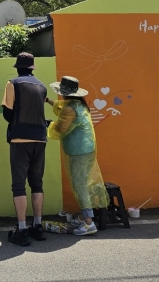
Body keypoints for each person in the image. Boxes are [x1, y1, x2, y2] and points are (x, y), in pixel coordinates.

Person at [47, 76, 109, 236]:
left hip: (79, 151)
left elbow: (60, 128)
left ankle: (89, 223)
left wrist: (48, 124)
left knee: (80, 185)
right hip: (86, 149)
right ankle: (85, 216)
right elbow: (60, 106)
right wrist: (47, 100)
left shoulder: (70, 109)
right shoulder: (79, 104)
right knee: (82, 183)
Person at [2, 52, 48, 246]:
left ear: (18, 68)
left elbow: (7, 113)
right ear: (32, 69)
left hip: (20, 139)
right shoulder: (42, 87)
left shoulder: (13, 84)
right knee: (37, 183)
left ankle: (22, 229)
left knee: (19, 185)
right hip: (40, 138)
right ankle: (37, 225)